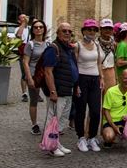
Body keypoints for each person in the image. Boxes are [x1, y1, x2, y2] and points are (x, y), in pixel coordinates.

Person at [40, 23, 78, 157]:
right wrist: (52, 91)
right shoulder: (53, 48)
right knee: (53, 119)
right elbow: (48, 72)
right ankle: (50, 145)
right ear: (58, 33)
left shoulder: (68, 49)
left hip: (68, 89)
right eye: (64, 31)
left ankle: (56, 142)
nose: (67, 33)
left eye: (69, 31)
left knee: (62, 119)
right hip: (58, 91)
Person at [73, 19, 105, 153]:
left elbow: (99, 63)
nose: (92, 32)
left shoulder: (97, 45)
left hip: (95, 78)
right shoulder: (77, 46)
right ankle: (81, 137)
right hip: (82, 78)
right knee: (80, 110)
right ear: (83, 31)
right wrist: (76, 84)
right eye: (89, 29)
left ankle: (92, 137)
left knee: (95, 110)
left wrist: (101, 78)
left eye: (94, 30)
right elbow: (74, 65)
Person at [22, 19, 49, 135]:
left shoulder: (48, 44)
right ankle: (34, 124)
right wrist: (29, 78)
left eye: (40, 27)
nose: (38, 29)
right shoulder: (30, 44)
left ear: (44, 29)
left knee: (51, 99)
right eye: (36, 27)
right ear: (32, 30)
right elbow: (25, 62)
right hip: (34, 74)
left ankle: (50, 123)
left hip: (46, 75)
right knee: (34, 101)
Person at [97, 19, 117, 91]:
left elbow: (115, 61)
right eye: (105, 28)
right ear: (101, 29)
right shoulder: (96, 43)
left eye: (110, 28)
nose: (108, 30)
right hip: (98, 72)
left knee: (110, 96)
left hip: (111, 73)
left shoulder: (114, 44)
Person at [15, 14, 30, 102]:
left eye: (26, 17)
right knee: (24, 74)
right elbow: (19, 36)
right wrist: (23, 24)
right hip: (23, 54)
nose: (25, 19)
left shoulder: (32, 28)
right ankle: (24, 93)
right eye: (22, 18)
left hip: (32, 53)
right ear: (19, 21)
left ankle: (35, 92)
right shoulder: (18, 29)